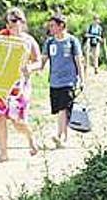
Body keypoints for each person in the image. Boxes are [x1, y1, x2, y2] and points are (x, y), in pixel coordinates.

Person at [0, 7, 41, 163]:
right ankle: (3, 153)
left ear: (23, 22)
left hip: (19, 86)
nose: (14, 24)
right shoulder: (0, 38)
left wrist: (29, 67)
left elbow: (38, 62)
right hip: (0, 84)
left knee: (17, 121)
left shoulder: (28, 41)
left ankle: (30, 137)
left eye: (18, 20)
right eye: (11, 20)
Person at [34, 12, 83, 148]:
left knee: (63, 108)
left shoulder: (72, 41)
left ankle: (60, 135)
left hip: (69, 81)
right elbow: (42, 61)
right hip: (54, 82)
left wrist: (82, 79)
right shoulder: (49, 42)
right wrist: (34, 70)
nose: (50, 28)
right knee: (60, 110)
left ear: (61, 26)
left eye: (53, 25)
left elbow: (79, 61)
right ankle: (65, 138)